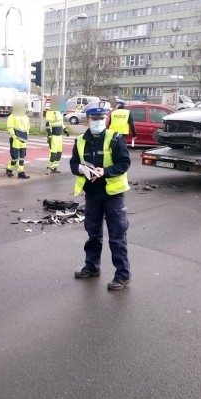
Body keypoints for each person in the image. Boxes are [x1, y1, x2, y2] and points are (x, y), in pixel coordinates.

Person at [70, 106, 132, 290]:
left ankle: (122, 275)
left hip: (112, 194)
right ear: (87, 120)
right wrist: (80, 169)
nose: (97, 122)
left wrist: (105, 172)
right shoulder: (81, 141)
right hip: (92, 194)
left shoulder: (115, 138)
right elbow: (74, 162)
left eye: (101, 118)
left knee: (117, 236)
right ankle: (92, 267)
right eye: (94, 118)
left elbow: (124, 163)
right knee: (93, 234)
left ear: (105, 120)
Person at [6, 99, 31, 179]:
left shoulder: (25, 117)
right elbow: (10, 127)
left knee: (22, 157)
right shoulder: (12, 116)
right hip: (15, 139)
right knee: (15, 157)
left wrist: (26, 135)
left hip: (23, 140)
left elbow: (28, 127)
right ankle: (9, 169)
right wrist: (14, 137)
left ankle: (21, 172)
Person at [45, 108, 66, 173]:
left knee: (59, 153)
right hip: (53, 136)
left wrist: (65, 129)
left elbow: (61, 123)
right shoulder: (50, 112)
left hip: (59, 136)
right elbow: (48, 125)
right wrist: (49, 136)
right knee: (53, 153)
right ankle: (49, 167)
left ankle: (55, 167)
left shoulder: (60, 112)